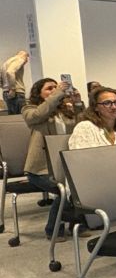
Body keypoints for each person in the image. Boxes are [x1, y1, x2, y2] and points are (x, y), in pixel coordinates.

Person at [23, 77, 78, 239]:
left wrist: (77, 103)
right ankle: (53, 230)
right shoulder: (29, 109)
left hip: (64, 163)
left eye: (56, 87)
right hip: (41, 169)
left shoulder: (65, 109)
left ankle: (76, 225)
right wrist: (58, 93)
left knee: (78, 188)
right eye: (49, 88)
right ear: (38, 93)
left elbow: (79, 126)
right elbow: (39, 114)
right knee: (64, 191)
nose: (54, 90)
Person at [2, 50, 29, 114]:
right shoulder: (20, 59)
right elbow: (10, 72)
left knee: (13, 117)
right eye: (27, 59)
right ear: (25, 56)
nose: (26, 61)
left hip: (6, 92)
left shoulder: (6, 63)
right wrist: (12, 89)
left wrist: (5, 87)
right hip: (16, 93)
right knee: (21, 117)